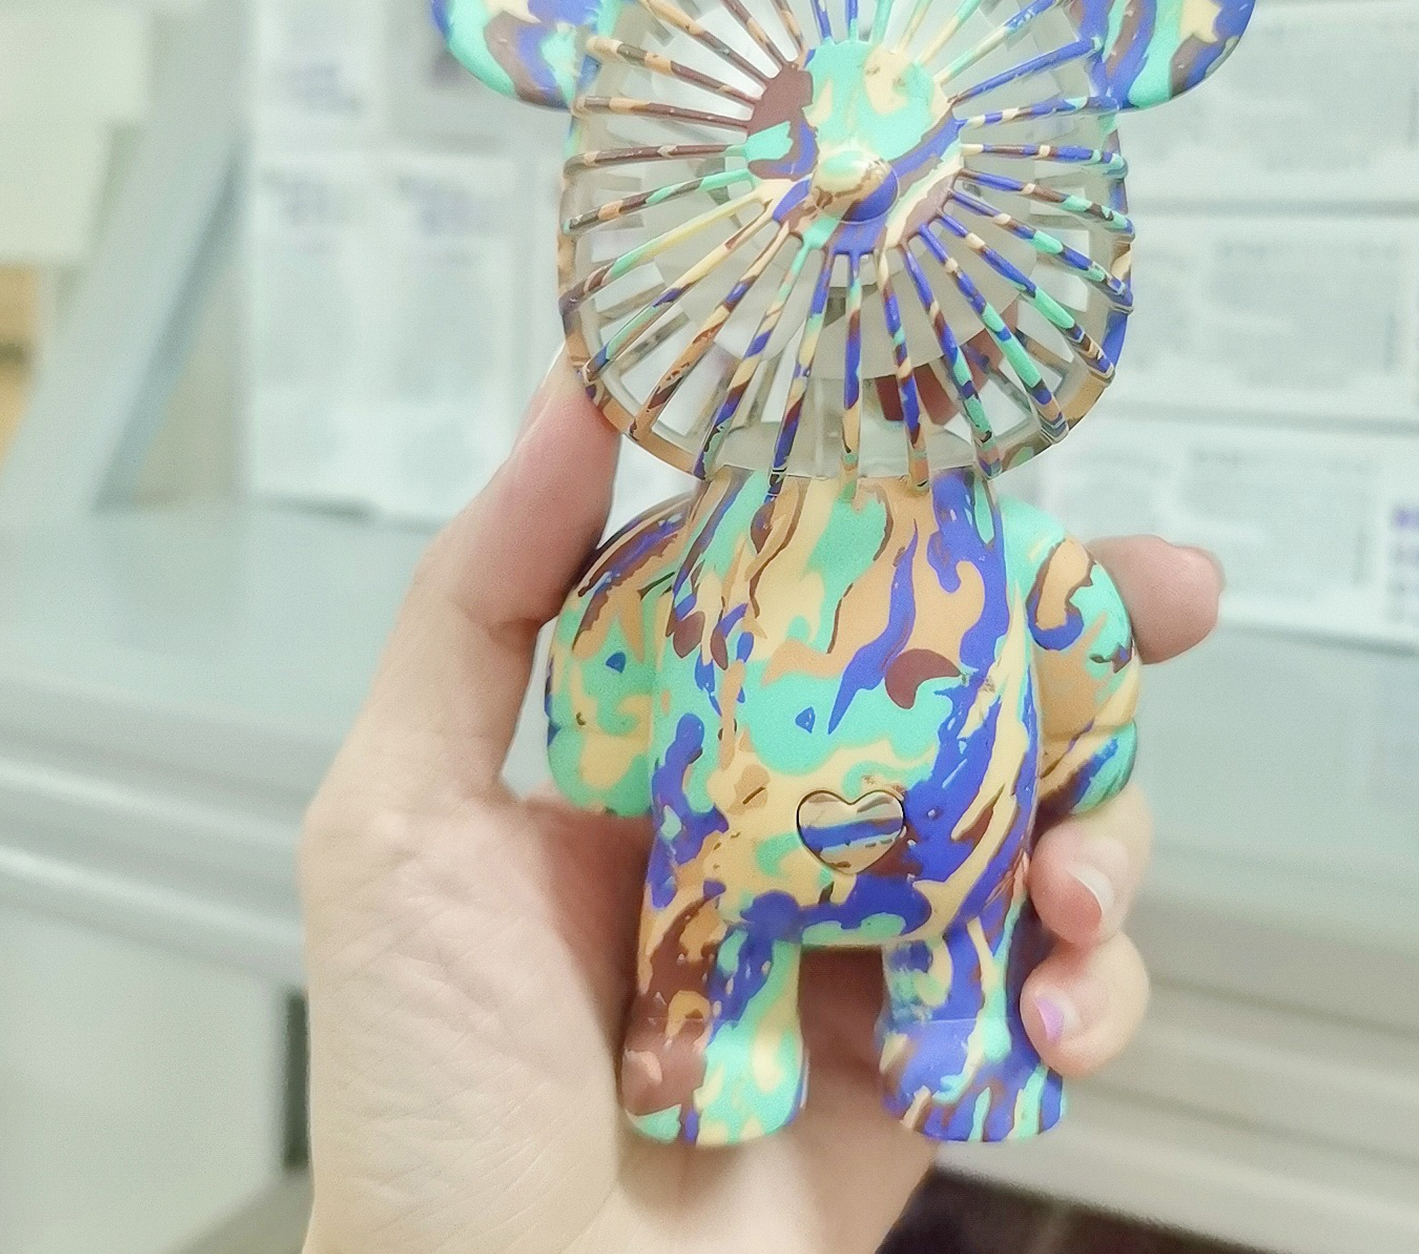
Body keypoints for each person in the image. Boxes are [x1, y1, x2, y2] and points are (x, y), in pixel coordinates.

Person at [296, 362, 1223, 1254]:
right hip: (744, 859)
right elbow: (630, 607)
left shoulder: (999, 539)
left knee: (947, 931)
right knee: (711, 938)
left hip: (947, 862)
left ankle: (951, 1033)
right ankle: (719, 1035)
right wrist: (1085, 748)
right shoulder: (711, 533)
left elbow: (1074, 629)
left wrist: (1082, 748)